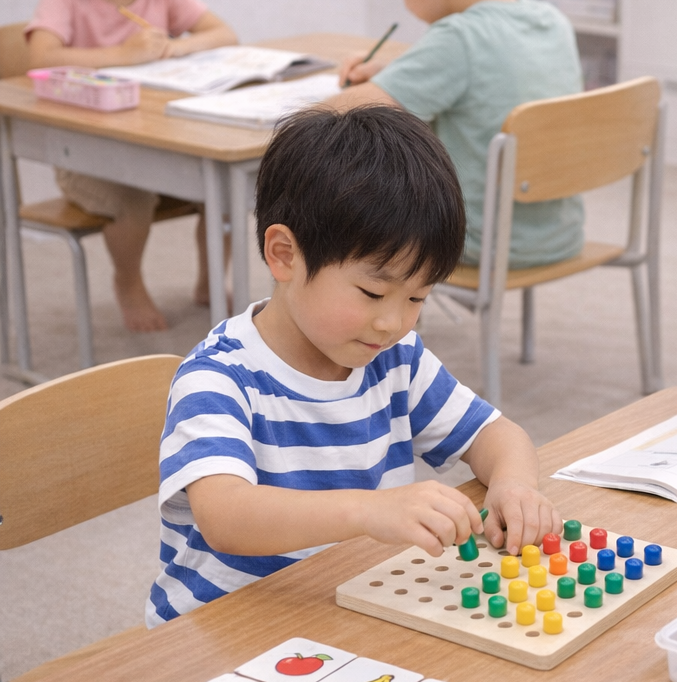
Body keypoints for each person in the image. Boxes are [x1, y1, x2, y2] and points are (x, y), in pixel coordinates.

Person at [146, 103, 561, 626]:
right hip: (225, 633)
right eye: (373, 291)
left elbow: (495, 434)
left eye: (417, 298)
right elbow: (226, 516)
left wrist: (514, 485)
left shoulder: (393, 359)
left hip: (347, 608)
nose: (394, 323)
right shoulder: (220, 376)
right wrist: (369, 511)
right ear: (284, 255)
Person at [26, 0, 237, 331]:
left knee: (221, 186)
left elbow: (224, 33)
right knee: (132, 197)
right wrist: (123, 52)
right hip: (87, 154)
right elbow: (41, 58)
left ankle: (209, 280)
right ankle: (128, 281)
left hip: (160, 138)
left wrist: (179, 44)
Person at [336, 0, 585, 269]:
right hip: (559, 233)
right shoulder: (550, 18)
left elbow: (338, 113)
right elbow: (492, 76)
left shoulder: (459, 37)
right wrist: (392, 72)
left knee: (342, 199)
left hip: (478, 240)